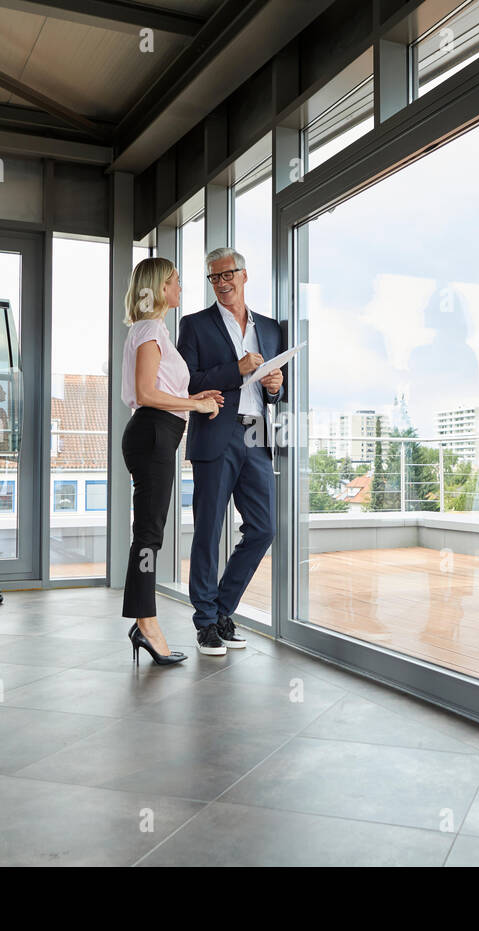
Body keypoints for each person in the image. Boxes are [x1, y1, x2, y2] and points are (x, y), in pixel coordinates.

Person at [177, 247, 285, 656]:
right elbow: (188, 381)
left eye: (227, 275)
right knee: (208, 530)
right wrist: (235, 370)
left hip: (257, 436)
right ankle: (205, 622)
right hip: (215, 438)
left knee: (263, 529)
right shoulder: (195, 325)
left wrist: (275, 388)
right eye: (214, 278)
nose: (221, 283)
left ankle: (222, 610)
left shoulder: (271, 328)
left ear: (244, 274)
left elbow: (275, 388)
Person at [120, 257, 224, 665]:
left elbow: (162, 387)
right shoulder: (148, 329)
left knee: (150, 533)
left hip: (159, 434)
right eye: (175, 281)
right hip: (153, 432)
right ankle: (146, 624)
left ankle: (143, 622)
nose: (181, 287)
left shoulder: (156, 330)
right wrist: (195, 405)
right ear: (158, 287)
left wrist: (196, 399)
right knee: (148, 535)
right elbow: (146, 393)